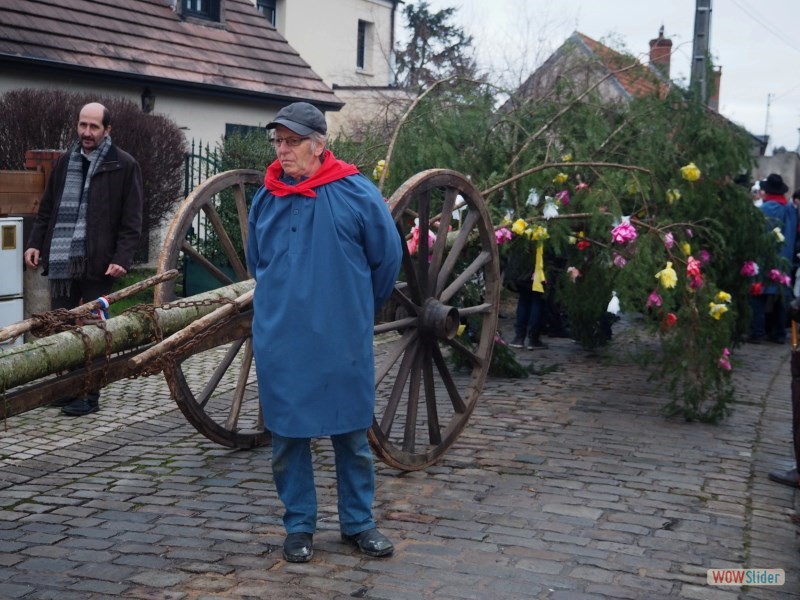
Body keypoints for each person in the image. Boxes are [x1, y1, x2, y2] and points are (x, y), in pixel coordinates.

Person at [246, 102, 402, 563]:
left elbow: (387, 259)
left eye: (292, 141)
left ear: (319, 145)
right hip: (281, 336)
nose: (283, 150)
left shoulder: (356, 193)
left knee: (351, 433)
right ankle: (299, 526)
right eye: (278, 141)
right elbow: (259, 262)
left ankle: (359, 523)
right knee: (288, 437)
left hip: (340, 336)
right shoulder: (267, 197)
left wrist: (355, 309)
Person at [24, 102, 144, 416]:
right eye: (82, 125)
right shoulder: (66, 162)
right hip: (63, 261)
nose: (86, 133)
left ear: (108, 130)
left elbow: (132, 221)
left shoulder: (124, 165)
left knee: (93, 331)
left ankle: (89, 395)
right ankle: (68, 388)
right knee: (61, 326)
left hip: (100, 263)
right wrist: (35, 243)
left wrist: (123, 258)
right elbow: (47, 208)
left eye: (93, 127)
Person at [749, 173, 797, 344]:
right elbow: (791, 235)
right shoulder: (789, 211)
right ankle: (778, 334)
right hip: (783, 260)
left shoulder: (761, 210)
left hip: (762, 258)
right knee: (780, 298)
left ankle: (757, 332)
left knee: (758, 296)